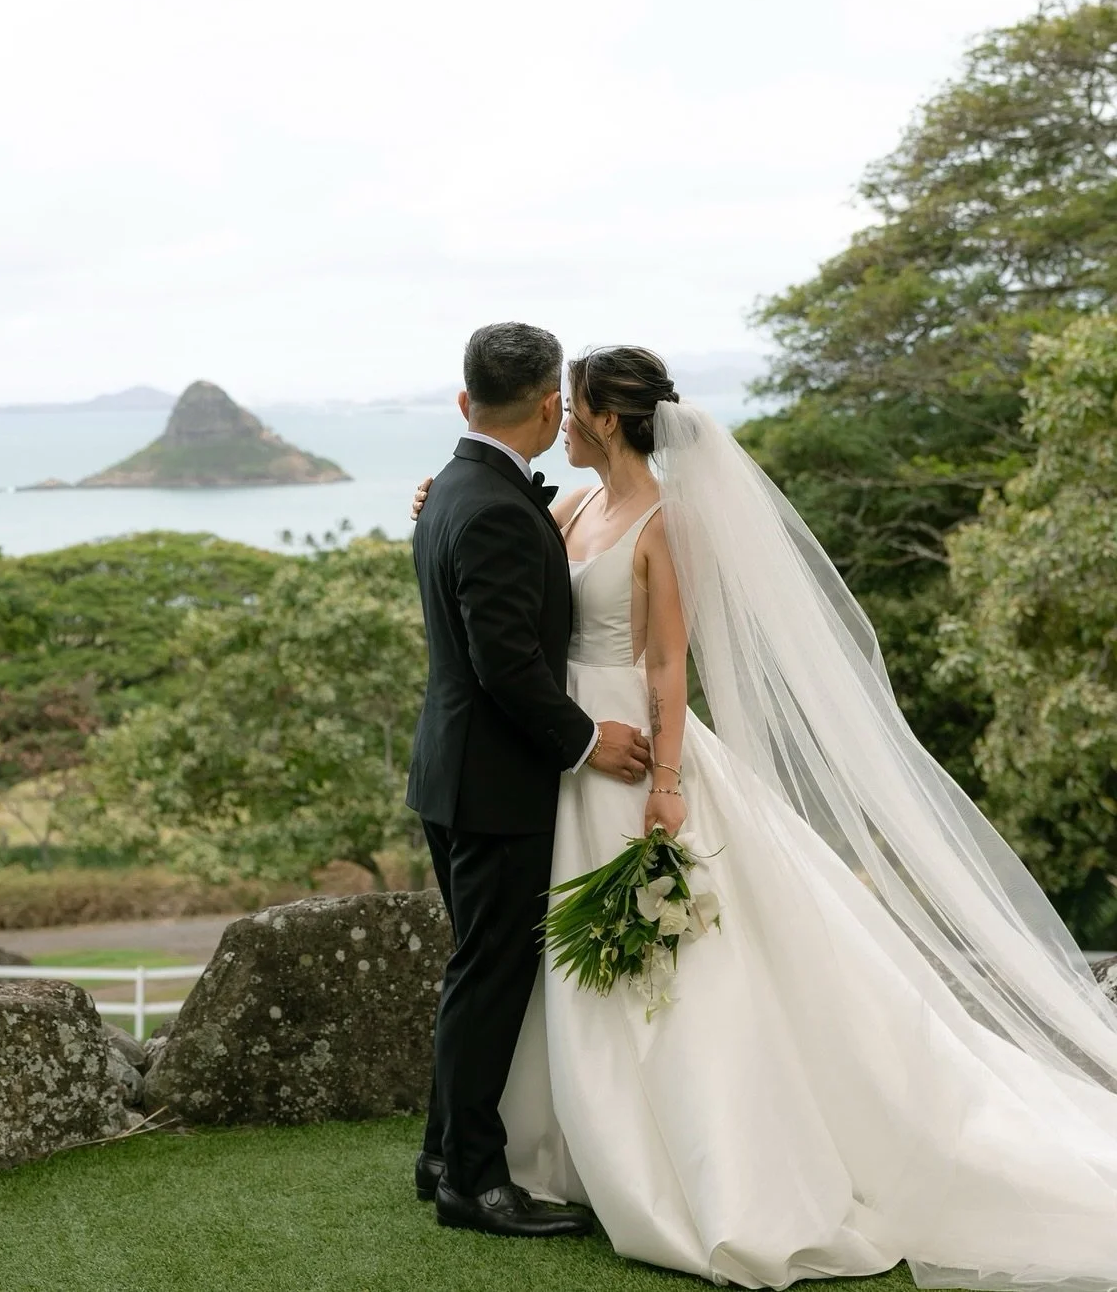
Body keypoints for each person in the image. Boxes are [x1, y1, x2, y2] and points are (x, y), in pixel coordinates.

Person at [413, 345, 1117, 1288]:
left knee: (675, 965)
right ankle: (544, 1145)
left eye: (576, 409)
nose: (564, 421)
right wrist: (443, 505)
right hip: (570, 754)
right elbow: (506, 553)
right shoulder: (570, 504)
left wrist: (665, 778)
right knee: (546, 961)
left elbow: (670, 665)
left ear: (607, 422)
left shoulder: (667, 524)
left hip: (627, 757)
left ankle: (688, 1153)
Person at [406, 321, 650, 1239]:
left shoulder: (454, 490)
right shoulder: (496, 506)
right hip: (497, 783)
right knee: (491, 973)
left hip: (451, 770)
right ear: (551, 405)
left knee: (477, 967)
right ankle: (471, 1178)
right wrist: (589, 741)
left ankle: (441, 1150)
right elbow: (506, 664)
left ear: (467, 402)